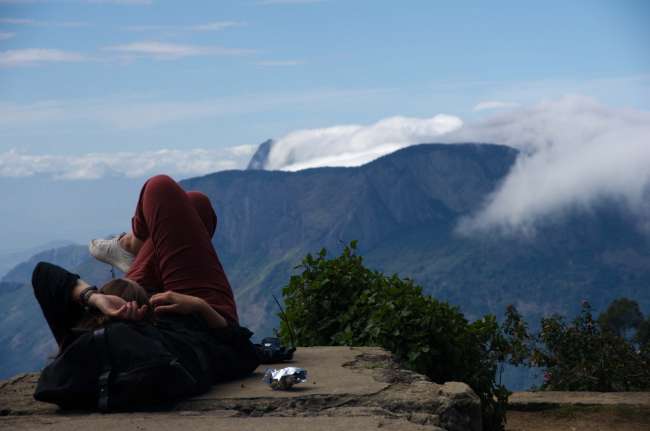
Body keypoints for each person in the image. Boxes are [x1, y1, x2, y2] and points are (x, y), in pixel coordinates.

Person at [32, 174, 259, 405]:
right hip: (199, 316)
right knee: (185, 200)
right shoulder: (164, 357)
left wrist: (97, 299)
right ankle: (132, 245)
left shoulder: (77, 352)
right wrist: (199, 306)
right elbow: (243, 352)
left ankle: (134, 251)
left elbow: (43, 274)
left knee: (188, 203)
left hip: (143, 303)